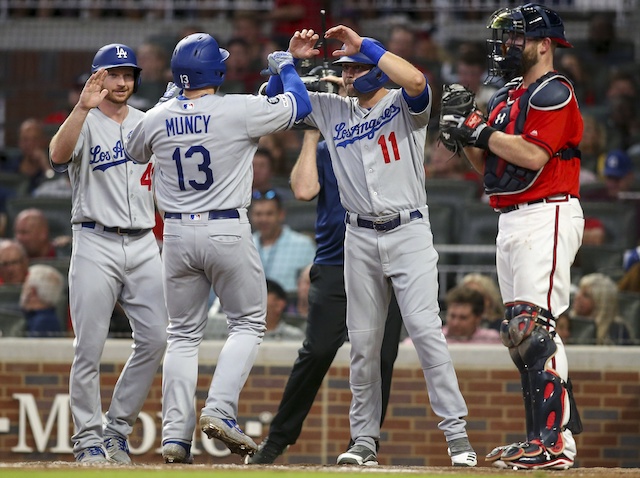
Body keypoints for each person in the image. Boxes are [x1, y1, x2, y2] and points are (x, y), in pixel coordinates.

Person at [264, 25, 476, 467]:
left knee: (425, 335)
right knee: (363, 344)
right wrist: (291, 60)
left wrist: (370, 49)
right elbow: (273, 106)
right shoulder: (331, 109)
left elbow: (417, 82)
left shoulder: (404, 106)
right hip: (358, 237)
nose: (347, 75)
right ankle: (363, 440)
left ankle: (457, 436)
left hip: (409, 232)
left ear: (377, 71)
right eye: (345, 68)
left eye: (356, 68)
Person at [124, 31, 313, 463]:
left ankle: (174, 437)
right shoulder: (236, 108)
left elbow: (135, 152)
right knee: (248, 323)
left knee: (183, 335)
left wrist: (169, 104)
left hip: (174, 235)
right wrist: (287, 67)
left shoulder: (157, 115)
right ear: (218, 70)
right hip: (226, 227)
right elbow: (298, 107)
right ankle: (220, 409)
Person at [441, 4, 584, 470]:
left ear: (544, 44)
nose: (507, 46)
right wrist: (463, 137)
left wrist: (479, 129)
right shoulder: (506, 94)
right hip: (512, 216)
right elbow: (491, 167)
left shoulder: (554, 90)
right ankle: (541, 439)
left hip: (548, 211)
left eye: (517, 38)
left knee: (533, 328)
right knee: (520, 336)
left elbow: (533, 154)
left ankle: (554, 443)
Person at [247, 127, 403, 465]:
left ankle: (364, 443)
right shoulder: (324, 147)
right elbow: (303, 190)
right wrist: (312, 134)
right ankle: (277, 440)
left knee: (381, 356)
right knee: (317, 350)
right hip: (334, 261)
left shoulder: (388, 137)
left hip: (384, 261)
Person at [48, 43, 168, 464]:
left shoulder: (148, 121)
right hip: (94, 239)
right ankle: (87, 439)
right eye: (113, 74)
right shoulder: (83, 121)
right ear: (97, 78)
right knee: (90, 346)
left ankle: (116, 430)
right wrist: (81, 108)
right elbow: (57, 156)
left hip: (142, 242)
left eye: (127, 74)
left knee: (156, 338)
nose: (121, 82)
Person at [250, 190, 316, 294]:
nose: (263, 219)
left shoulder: (303, 244)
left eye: (269, 214)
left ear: (281, 215)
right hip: (253, 304)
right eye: (258, 214)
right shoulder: (246, 245)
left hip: (291, 307)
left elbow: (313, 284)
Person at [570, 273, 634, 346]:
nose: (577, 297)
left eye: (586, 295)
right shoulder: (567, 324)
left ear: (600, 303)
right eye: (579, 291)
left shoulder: (617, 330)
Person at [19, 263, 64, 337]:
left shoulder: (42, 323)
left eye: (25, 284)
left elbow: (30, 348)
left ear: (32, 291)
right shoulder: (48, 319)